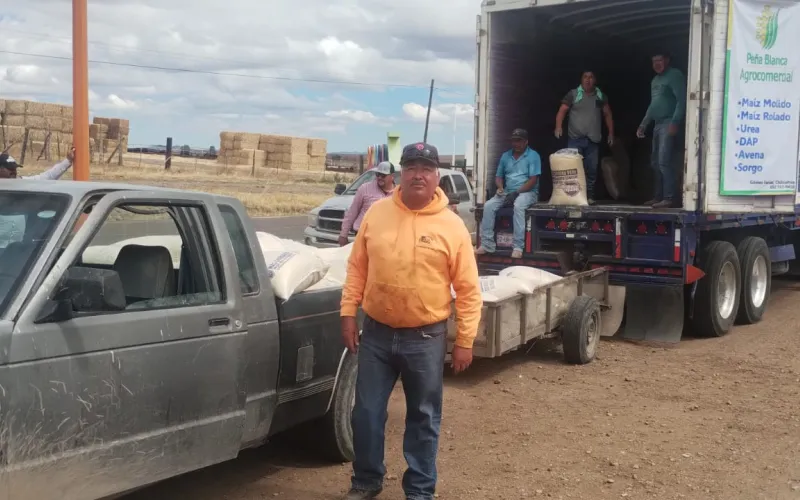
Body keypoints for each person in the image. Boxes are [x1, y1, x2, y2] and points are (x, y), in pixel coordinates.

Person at [340, 142, 482, 500]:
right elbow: (357, 268)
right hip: (376, 335)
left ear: (437, 176)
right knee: (366, 413)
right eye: (411, 168)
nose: (418, 175)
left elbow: (468, 289)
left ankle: (419, 490)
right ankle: (366, 480)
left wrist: (465, 340)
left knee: (423, 416)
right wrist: (347, 312)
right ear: (400, 173)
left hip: (425, 338)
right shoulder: (377, 214)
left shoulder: (452, 226)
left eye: (426, 169)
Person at [475, 128, 541, 259]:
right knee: (488, 205)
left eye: (519, 141)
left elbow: (533, 180)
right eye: (514, 141)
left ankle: (518, 247)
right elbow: (498, 177)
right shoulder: (506, 156)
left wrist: (516, 193)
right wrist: (500, 188)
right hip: (508, 191)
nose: (516, 144)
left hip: (528, 192)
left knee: (518, 205)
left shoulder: (533, 156)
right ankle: (487, 244)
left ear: (526, 142)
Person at [554, 70, 615, 204]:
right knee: (573, 170)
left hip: (593, 139)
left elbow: (607, 114)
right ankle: (575, 197)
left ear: (595, 80)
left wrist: (611, 133)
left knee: (591, 169)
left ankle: (589, 196)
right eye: (585, 77)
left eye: (591, 77)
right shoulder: (574, 94)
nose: (588, 80)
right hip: (575, 139)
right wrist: (558, 127)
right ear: (581, 80)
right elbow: (562, 111)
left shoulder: (599, 96)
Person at [637, 50, 686, 209]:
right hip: (658, 124)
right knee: (655, 162)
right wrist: (644, 124)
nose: (657, 64)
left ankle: (669, 197)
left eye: (660, 60)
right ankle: (658, 196)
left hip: (668, 122)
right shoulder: (655, 81)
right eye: (654, 61)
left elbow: (681, 100)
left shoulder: (674, 75)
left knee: (665, 161)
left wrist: (675, 121)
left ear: (667, 60)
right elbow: (653, 105)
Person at [338, 161, 396, 246]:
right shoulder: (365, 189)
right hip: (362, 235)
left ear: (392, 176)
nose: (379, 177)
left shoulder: (399, 194)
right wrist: (343, 234)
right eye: (378, 174)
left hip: (386, 238)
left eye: (383, 175)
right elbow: (352, 212)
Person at [0, 147, 76, 180]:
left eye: (14, 168)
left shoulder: (19, 182)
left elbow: (46, 177)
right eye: (10, 168)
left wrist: (68, 161)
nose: (14, 172)